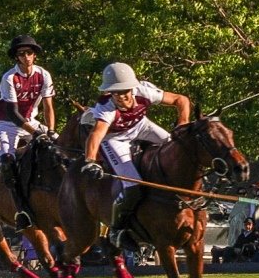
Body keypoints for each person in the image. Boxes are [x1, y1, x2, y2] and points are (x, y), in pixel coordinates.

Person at [80, 62, 190, 248]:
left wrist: (182, 124)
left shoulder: (144, 91)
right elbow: (97, 134)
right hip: (115, 139)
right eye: (116, 92)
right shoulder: (105, 108)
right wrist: (90, 161)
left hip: (141, 126)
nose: (121, 96)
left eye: (125, 91)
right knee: (132, 186)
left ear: (132, 87)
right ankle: (117, 230)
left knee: (178, 151)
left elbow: (181, 100)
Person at [0, 35, 56, 232]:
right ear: (16, 57)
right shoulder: (9, 78)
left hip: (31, 121)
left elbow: (48, 106)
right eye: (21, 54)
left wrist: (50, 131)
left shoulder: (44, 75)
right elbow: (13, 112)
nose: (26, 56)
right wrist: (36, 133)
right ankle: (21, 211)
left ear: (34, 55)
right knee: (7, 162)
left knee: (62, 150)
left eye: (29, 52)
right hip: (6, 123)